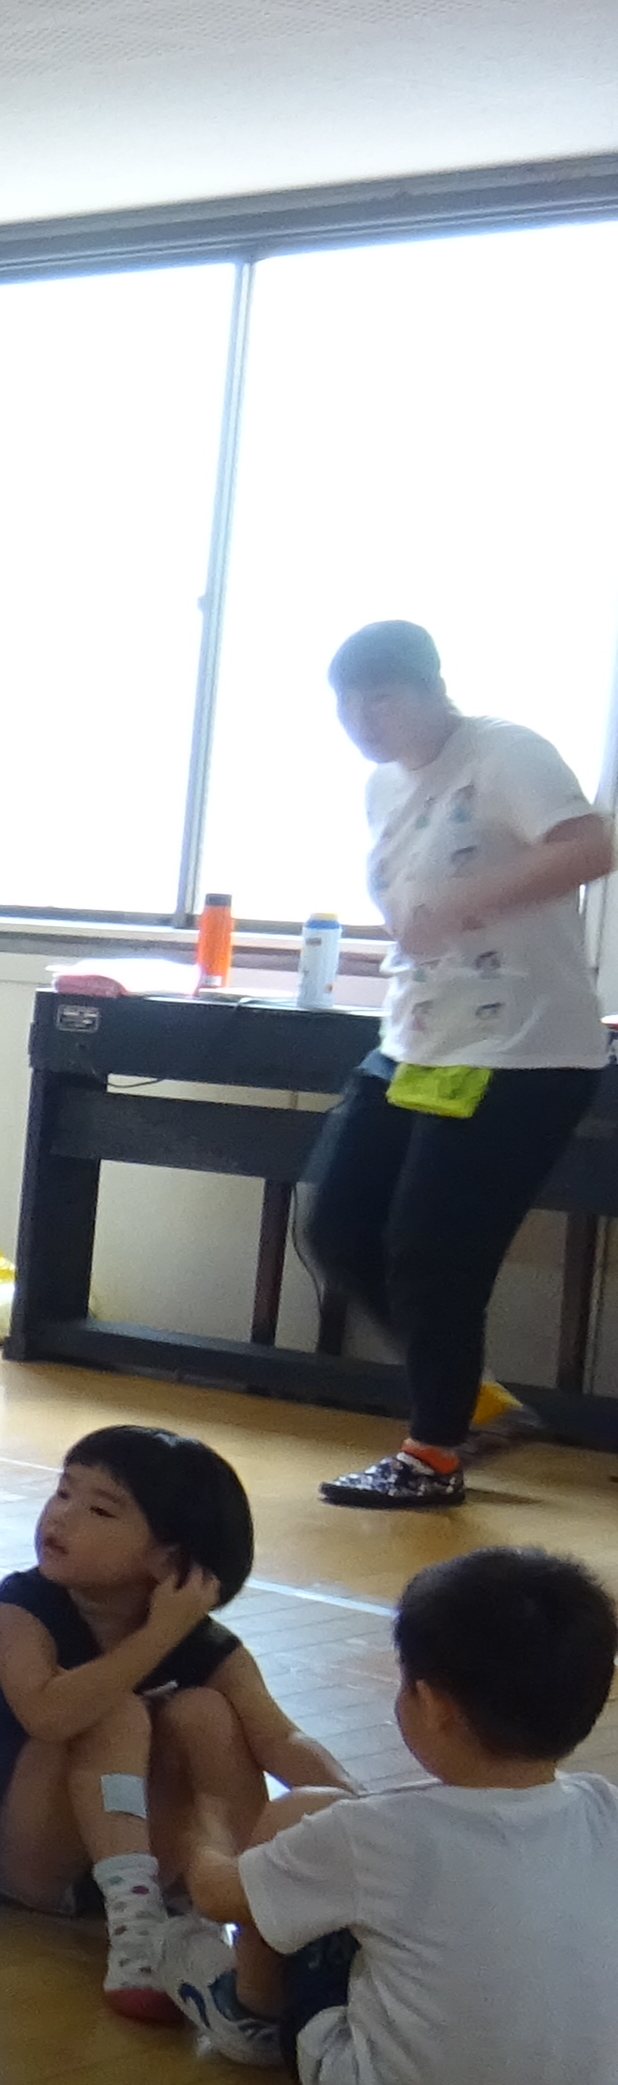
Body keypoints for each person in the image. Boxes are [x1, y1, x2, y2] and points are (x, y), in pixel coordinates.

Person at [303, 618, 612, 1509]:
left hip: (521, 1050)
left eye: (382, 699)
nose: (363, 720)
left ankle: (432, 1454)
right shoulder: (381, 786)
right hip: (417, 1039)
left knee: (433, 1252)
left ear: (435, 689)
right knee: (339, 1227)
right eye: (346, 705)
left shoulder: (505, 753)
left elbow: (592, 845)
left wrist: (467, 900)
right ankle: (468, 1398)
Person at [172, 1549, 618, 2085]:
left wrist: (201, 1830)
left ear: (433, 1706)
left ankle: (247, 2012)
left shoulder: (375, 1833)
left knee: (294, 1819)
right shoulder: (605, 1809)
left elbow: (218, 1897)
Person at [0, 1424, 343, 2020]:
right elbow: (48, 1714)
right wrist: (158, 1634)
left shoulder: (208, 1646)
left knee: (206, 1713)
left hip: (135, 1853)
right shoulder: (21, 1607)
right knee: (111, 1709)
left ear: (170, 1560)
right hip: (12, 1852)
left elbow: (280, 1739)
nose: (61, 1515)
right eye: (63, 1492)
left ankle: (252, 1919)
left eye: (99, 1509)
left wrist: (367, 1814)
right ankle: (137, 1929)